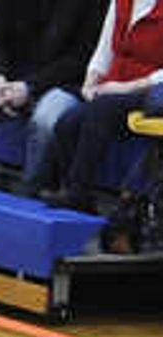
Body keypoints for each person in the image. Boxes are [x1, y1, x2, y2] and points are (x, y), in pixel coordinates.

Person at [0, 0, 103, 187]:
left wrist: (30, 87)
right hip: (10, 76)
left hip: (65, 81)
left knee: (46, 121)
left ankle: (33, 192)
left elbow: (82, 58)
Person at [37, 0, 163, 221]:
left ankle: (77, 192)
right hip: (113, 88)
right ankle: (80, 200)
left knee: (102, 108)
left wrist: (129, 87)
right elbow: (104, 49)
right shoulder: (120, 2)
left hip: (152, 93)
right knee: (68, 122)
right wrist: (90, 81)